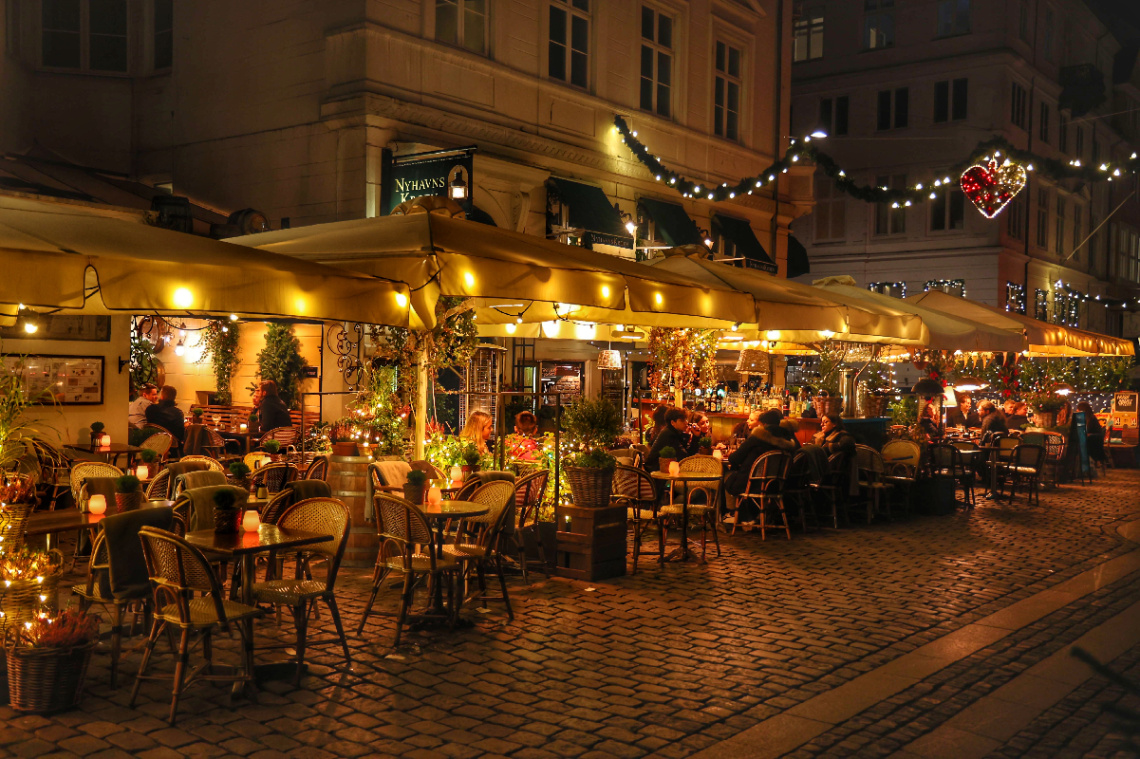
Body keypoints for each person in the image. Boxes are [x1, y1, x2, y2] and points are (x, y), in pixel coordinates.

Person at [723, 410, 800, 525]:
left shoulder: (757, 437)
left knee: (728, 475)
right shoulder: (788, 441)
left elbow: (734, 459)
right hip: (776, 485)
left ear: (763, 424)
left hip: (752, 484)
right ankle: (754, 515)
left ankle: (735, 514)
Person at [1076, 401, 1108, 466]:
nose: (1077, 410)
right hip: (1093, 439)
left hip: (1095, 440)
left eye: (1078, 409)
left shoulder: (1091, 419)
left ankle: (1086, 462)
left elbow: (1088, 431)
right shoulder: (1088, 418)